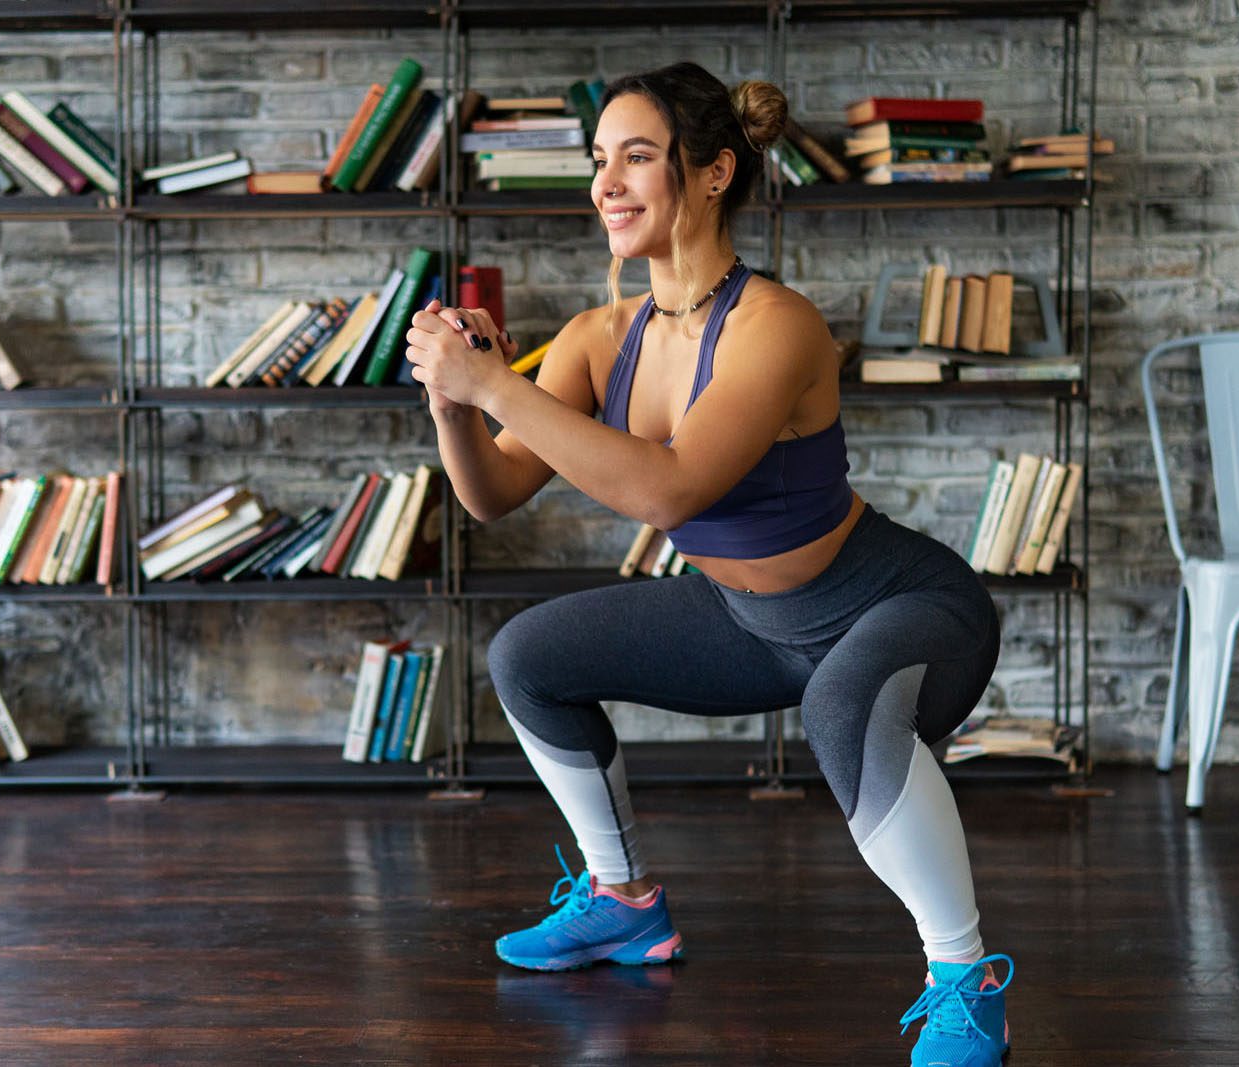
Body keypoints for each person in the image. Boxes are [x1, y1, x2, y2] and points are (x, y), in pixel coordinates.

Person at [402, 62, 1012, 1067]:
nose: (606, 184)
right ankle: (624, 901)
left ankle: (966, 980)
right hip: (749, 624)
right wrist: (453, 405)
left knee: (842, 708)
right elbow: (492, 494)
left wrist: (494, 387)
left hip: (899, 606)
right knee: (527, 655)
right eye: (599, 162)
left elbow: (669, 488)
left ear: (715, 170)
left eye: (636, 157)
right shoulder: (602, 338)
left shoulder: (777, 325)